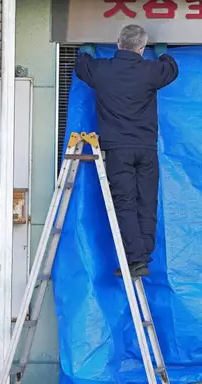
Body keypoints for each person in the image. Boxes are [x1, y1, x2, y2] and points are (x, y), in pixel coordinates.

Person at [74, 24, 179, 277]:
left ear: (118, 43)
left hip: (117, 148)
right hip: (146, 148)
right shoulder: (151, 71)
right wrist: (163, 53)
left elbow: (81, 66)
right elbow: (171, 69)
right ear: (142, 48)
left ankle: (136, 259)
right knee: (147, 201)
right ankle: (142, 256)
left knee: (125, 202)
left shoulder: (102, 70)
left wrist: (86, 52)